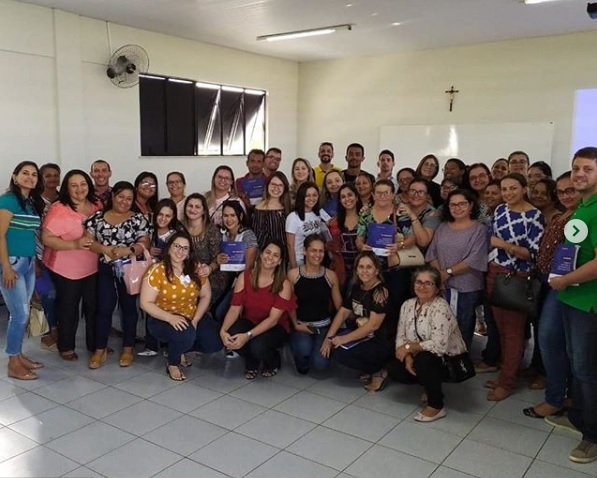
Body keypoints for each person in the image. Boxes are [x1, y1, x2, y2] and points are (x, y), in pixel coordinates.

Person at [547, 147, 597, 464]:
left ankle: (592, 436)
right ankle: (579, 417)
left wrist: (565, 280)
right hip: (570, 297)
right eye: (576, 168)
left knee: (586, 370)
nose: (579, 174)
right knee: (576, 364)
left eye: (587, 169)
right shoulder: (582, 207)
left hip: (588, 303)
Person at [523, 172, 579, 419]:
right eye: (561, 191)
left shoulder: (581, 217)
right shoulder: (565, 215)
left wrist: (564, 279)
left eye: (571, 190)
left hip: (565, 284)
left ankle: (556, 399)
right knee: (555, 341)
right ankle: (563, 396)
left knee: (548, 338)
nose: (565, 195)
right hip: (549, 281)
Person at [486, 173, 544, 401]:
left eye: (513, 188)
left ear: (524, 188)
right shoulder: (500, 210)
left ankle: (507, 382)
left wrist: (504, 245)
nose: (508, 193)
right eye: (504, 189)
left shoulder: (534, 216)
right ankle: (506, 372)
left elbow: (533, 254)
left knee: (514, 332)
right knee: (500, 328)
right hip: (495, 272)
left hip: (516, 277)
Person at [387, 266, 468, 422]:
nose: (422, 287)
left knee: (424, 361)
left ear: (437, 288)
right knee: (394, 368)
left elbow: (439, 346)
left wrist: (409, 348)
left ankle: (436, 405)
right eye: (419, 282)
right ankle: (428, 384)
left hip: (448, 360)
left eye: (428, 283)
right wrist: (407, 357)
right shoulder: (408, 305)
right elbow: (401, 336)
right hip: (419, 354)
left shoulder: (441, 307)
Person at [85, 181, 150, 369]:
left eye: (129, 198)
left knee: (129, 308)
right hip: (105, 269)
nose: (124, 201)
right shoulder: (97, 217)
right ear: (113, 196)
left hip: (130, 270)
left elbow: (145, 242)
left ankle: (128, 348)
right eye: (121, 196)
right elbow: (88, 242)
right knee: (104, 308)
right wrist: (105, 249)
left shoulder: (138, 219)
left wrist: (128, 250)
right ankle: (100, 349)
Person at [140, 231, 222, 381]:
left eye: (185, 248)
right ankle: (173, 362)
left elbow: (206, 295)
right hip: (162, 318)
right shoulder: (157, 270)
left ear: (189, 252)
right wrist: (170, 318)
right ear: (169, 247)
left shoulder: (196, 268)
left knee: (215, 342)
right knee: (186, 333)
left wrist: (196, 319)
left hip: (190, 315)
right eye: (177, 246)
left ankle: (179, 348)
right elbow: (145, 303)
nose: (180, 251)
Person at [41, 169, 101, 361]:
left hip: (92, 267)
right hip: (65, 269)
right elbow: (46, 238)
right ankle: (66, 346)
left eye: (83, 184)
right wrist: (74, 244)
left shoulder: (97, 205)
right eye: (73, 185)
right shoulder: (59, 208)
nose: (79, 189)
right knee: (68, 308)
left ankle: (96, 345)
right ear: (67, 188)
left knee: (93, 307)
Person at [219, 240, 294, 379]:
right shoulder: (244, 277)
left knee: (257, 346)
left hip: (275, 327)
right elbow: (235, 309)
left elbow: (272, 320)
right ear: (261, 254)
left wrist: (247, 335)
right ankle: (252, 360)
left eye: (276, 255)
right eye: (268, 252)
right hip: (250, 320)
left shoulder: (284, 284)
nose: (270, 257)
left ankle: (273, 361)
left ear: (279, 261)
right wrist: (223, 331)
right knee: (232, 334)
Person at [321, 251, 393, 390]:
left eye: (369, 267)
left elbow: (373, 325)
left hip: (381, 341)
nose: (364, 271)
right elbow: (343, 312)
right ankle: (370, 368)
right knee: (334, 344)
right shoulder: (357, 287)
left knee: (341, 350)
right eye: (361, 267)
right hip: (363, 336)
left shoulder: (381, 291)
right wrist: (329, 338)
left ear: (377, 270)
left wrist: (344, 339)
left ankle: (379, 371)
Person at [426, 189, 488, 349]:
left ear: (471, 205)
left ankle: (460, 358)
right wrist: (440, 277)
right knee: (440, 324)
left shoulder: (479, 230)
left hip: (468, 287)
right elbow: (432, 254)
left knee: (463, 327)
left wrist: (447, 273)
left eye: (462, 204)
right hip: (442, 285)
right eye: (453, 205)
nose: (457, 208)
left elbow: (474, 258)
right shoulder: (442, 227)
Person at [1, 161, 44, 380]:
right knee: (20, 315)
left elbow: (29, 235)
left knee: (21, 313)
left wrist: (34, 261)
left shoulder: (29, 203)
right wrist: (6, 268)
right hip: (12, 263)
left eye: (34, 174)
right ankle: (13, 363)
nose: (30, 177)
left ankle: (18, 356)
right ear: (15, 176)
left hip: (27, 262)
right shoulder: (8, 200)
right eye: (25, 173)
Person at [288, 234, 342, 374]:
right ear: (304, 251)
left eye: (321, 251)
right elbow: (289, 304)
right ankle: (300, 356)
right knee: (303, 351)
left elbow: (340, 308)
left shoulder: (330, 276)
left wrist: (330, 336)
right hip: (301, 325)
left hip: (323, 327)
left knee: (320, 365)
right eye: (313, 250)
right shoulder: (293, 275)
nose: (317, 255)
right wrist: (295, 324)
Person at [213, 200, 259, 322]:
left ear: (240, 216)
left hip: (243, 281)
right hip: (225, 278)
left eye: (232, 215)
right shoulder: (223, 235)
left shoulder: (248, 235)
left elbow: (249, 268)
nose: (229, 219)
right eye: (225, 216)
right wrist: (218, 259)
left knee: (219, 312)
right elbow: (218, 258)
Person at [182, 193, 227, 307]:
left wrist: (209, 269)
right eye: (190, 206)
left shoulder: (212, 231)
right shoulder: (180, 228)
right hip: (188, 274)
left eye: (197, 207)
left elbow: (219, 259)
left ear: (203, 211)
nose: (193, 209)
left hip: (211, 276)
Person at [286, 181, 331, 269]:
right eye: (307, 195)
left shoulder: (317, 215)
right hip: (299, 260)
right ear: (301, 197)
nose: (311, 198)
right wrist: (294, 267)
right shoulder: (293, 217)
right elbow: (290, 245)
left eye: (314, 195)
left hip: (315, 260)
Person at [328, 184, 362, 292]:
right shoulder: (334, 222)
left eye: (350, 195)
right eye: (343, 197)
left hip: (361, 270)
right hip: (341, 270)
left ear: (357, 197)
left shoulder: (365, 218)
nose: (347, 199)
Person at [252, 172, 291, 250]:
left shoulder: (289, 207)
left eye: (280, 185)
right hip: (268, 254)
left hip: (286, 252)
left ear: (284, 188)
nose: (276, 188)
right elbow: (258, 238)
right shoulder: (259, 208)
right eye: (273, 184)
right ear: (267, 186)